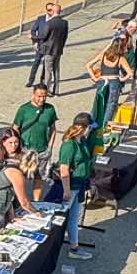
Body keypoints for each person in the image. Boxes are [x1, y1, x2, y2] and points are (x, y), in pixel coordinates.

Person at [55, 113, 96, 265]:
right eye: (89, 127)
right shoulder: (69, 145)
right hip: (71, 187)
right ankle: (55, 246)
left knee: (73, 218)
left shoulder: (82, 140)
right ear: (81, 127)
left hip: (80, 185)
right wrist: (66, 191)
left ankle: (74, 248)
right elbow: (64, 169)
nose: (90, 130)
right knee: (60, 219)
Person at [0, 146, 41, 247]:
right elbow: (24, 202)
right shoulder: (16, 173)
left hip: (2, 203)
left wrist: (12, 216)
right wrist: (35, 211)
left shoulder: (15, 167)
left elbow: (10, 195)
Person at [87, 41, 133, 132]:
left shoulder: (103, 55)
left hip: (102, 81)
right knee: (110, 105)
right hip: (114, 82)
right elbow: (130, 73)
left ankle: (92, 126)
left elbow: (88, 65)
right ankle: (105, 127)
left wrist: (94, 78)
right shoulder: (120, 58)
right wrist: (122, 79)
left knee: (97, 104)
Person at [28, 1, 67, 91]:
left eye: (51, 10)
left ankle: (46, 88)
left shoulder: (50, 22)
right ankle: (55, 90)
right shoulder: (64, 22)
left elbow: (44, 36)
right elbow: (65, 37)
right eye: (48, 10)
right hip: (55, 49)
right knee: (55, 70)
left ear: (53, 11)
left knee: (48, 70)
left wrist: (32, 37)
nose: (49, 12)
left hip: (48, 49)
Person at [14, 85, 59, 158]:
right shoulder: (24, 109)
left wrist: (50, 148)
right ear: (33, 94)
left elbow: (53, 129)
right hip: (26, 150)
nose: (42, 99)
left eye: (44, 96)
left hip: (43, 150)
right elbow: (15, 128)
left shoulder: (50, 109)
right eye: (39, 96)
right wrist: (20, 146)